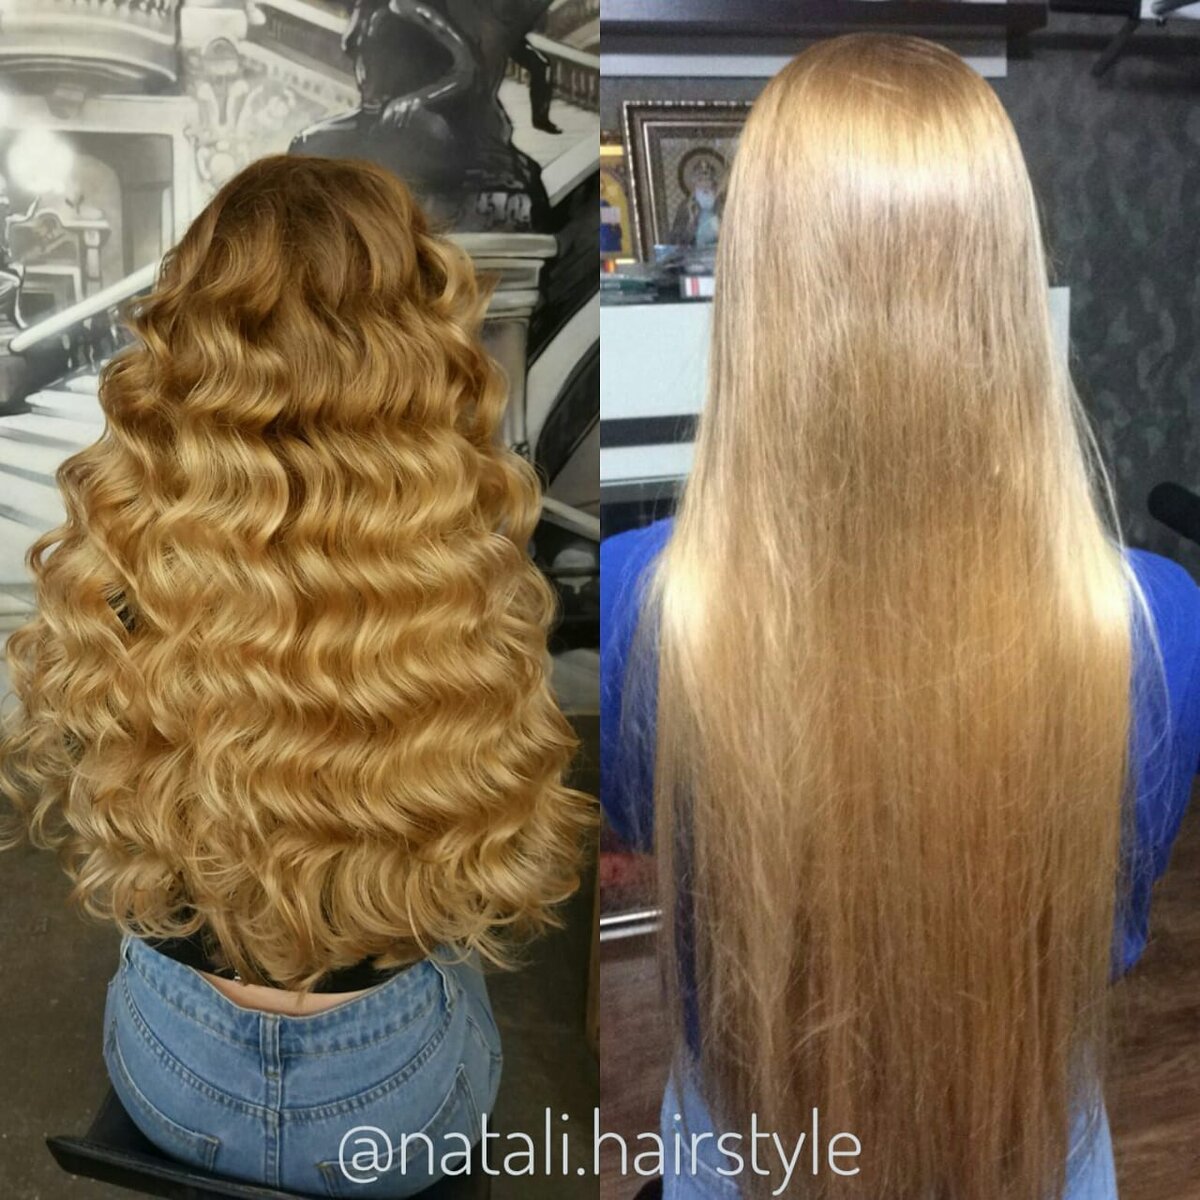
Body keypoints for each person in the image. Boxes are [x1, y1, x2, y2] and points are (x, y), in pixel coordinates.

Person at [600, 35, 1200, 1200]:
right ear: (1006, 278)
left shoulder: (642, 604)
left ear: (758, 283)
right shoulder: (1153, 622)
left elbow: (655, 844)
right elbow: (1112, 930)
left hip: (754, 1145)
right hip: (1029, 1139)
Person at [1, 154, 592, 1198]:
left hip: (172, 1070)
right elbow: (482, 868)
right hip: (396, 1095)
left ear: (191, 340)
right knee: (456, 965)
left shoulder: (125, 564)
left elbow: (111, 804)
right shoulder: (459, 575)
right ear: (415, 346)